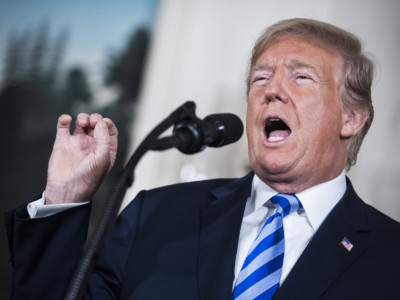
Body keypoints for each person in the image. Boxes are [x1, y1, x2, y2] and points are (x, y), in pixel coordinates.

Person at [5, 18, 400, 300]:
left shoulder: (390, 257)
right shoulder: (155, 217)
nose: (272, 90)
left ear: (351, 118)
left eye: (301, 77)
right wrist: (65, 196)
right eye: (260, 78)